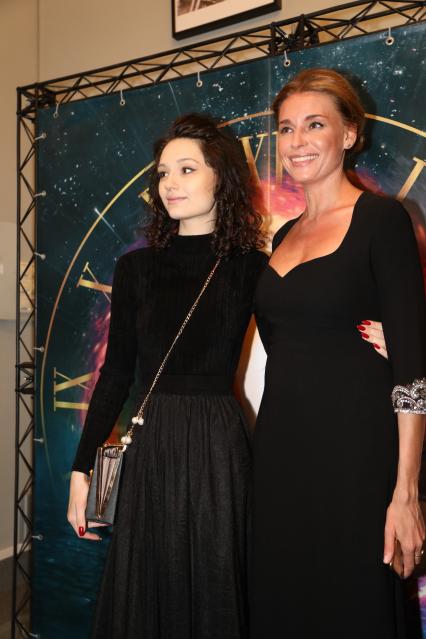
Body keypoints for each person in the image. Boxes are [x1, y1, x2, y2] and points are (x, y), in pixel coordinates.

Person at [67, 113, 267, 639]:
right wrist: (81, 470)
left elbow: (300, 345)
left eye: (187, 169)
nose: (170, 184)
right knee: (146, 590)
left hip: (217, 448)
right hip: (151, 442)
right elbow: (116, 373)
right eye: (162, 173)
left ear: (221, 177)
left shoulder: (251, 267)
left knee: (215, 587)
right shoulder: (136, 269)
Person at [252, 68, 426, 639]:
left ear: (349, 134)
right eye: (286, 128)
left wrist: (406, 492)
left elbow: (411, 371)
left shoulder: (382, 221)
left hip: (357, 457)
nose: (297, 141)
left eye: (315, 125)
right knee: (284, 604)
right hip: (281, 455)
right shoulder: (282, 236)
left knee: (355, 608)